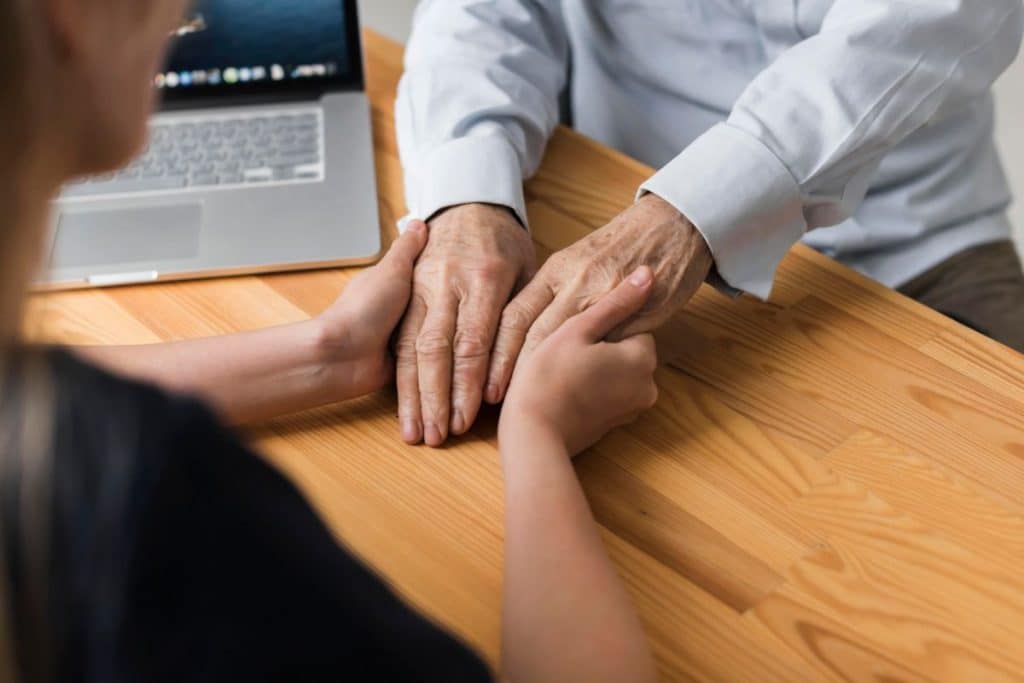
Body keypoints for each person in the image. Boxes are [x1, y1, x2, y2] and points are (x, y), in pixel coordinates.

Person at [0, 1, 660, 681]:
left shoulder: (60, 440)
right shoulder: (154, 502)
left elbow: (33, 397)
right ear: (70, 15)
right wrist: (537, 430)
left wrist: (325, 352)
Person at [395, 0, 1024, 447]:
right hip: (606, 209)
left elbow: (928, 23)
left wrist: (691, 214)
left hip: (918, 240)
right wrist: (466, 196)